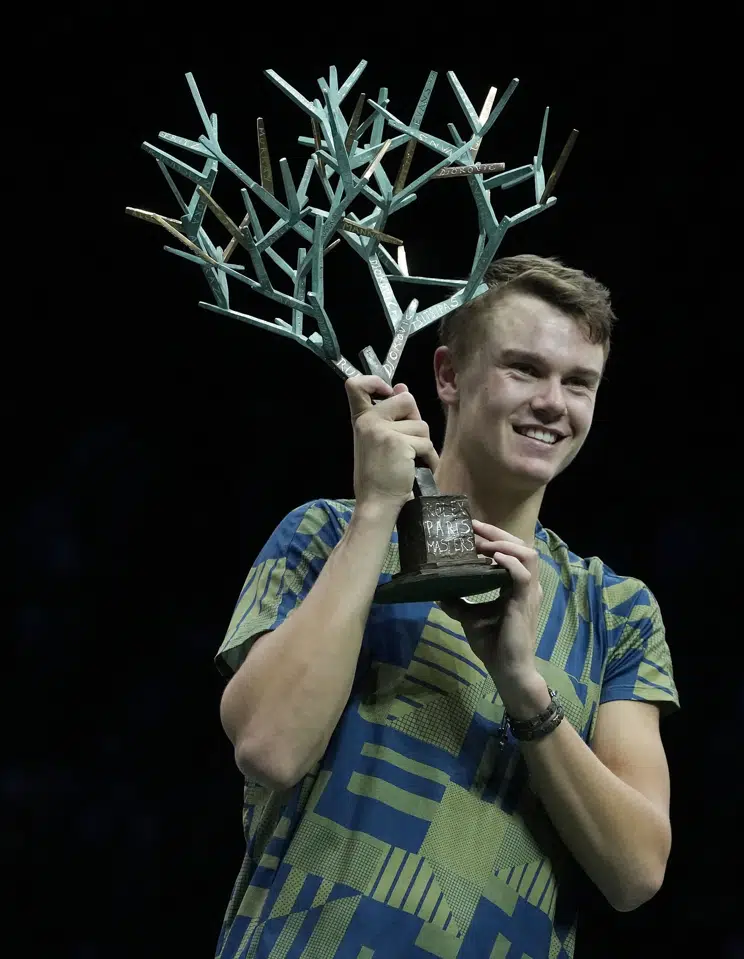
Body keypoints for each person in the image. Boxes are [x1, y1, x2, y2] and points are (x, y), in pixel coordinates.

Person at [211, 255, 680, 958]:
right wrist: (377, 512)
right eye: (524, 369)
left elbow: (636, 870)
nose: (554, 401)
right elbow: (269, 748)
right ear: (448, 376)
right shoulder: (324, 534)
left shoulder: (615, 611)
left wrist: (524, 688)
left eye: (578, 382)